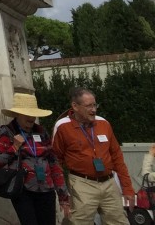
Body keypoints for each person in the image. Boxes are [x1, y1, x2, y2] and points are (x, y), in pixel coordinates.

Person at [51, 87, 134, 225]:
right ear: (75, 106)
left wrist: (127, 188)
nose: (94, 110)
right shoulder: (62, 126)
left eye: (95, 105)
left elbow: (117, 157)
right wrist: (63, 195)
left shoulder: (103, 123)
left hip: (109, 182)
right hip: (81, 183)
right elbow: (55, 161)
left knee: (119, 222)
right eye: (89, 106)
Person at [0, 92, 70, 225]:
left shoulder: (41, 132)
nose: (31, 118)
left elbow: (53, 163)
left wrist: (63, 195)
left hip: (46, 188)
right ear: (18, 114)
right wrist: (14, 148)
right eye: (27, 115)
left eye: (33, 115)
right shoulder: (7, 132)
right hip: (23, 190)